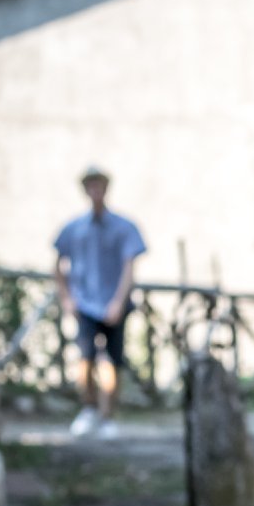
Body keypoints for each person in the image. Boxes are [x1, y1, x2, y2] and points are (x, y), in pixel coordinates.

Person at [53, 166, 147, 439]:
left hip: (113, 302)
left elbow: (129, 267)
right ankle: (88, 409)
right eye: (91, 186)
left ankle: (107, 416)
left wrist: (119, 301)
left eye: (99, 186)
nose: (96, 191)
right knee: (85, 358)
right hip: (85, 303)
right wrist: (66, 298)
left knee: (112, 362)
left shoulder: (123, 226)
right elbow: (58, 266)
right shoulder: (73, 228)